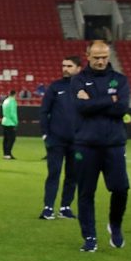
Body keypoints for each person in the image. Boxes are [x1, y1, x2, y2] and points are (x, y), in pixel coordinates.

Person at [72, 40, 131, 252]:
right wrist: (109, 99)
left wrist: (93, 101)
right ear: (88, 56)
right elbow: (81, 107)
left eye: (104, 57)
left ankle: (115, 225)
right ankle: (90, 237)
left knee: (121, 188)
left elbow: (121, 108)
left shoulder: (120, 80)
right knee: (86, 193)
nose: (100, 61)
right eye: (96, 57)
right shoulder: (78, 80)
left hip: (114, 143)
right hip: (86, 144)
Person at [39, 56, 83, 220]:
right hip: (56, 140)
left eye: (69, 66)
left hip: (78, 141)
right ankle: (48, 208)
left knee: (73, 176)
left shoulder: (86, 88)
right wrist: (45, 134)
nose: (65, 68)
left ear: (78, 68)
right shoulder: (55, 87)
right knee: (54, 173)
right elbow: (44, 111)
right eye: (64, 65)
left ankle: (65, 208)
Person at [2, 90, 18, 159]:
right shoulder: (12, 101)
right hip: (10, 122)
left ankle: (5, 153)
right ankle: (8, 154)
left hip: (4, 121)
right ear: (14, 94)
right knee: (11, 139)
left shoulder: (5, 101)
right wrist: (16, 121)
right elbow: (12, 113)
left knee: (6, 139)